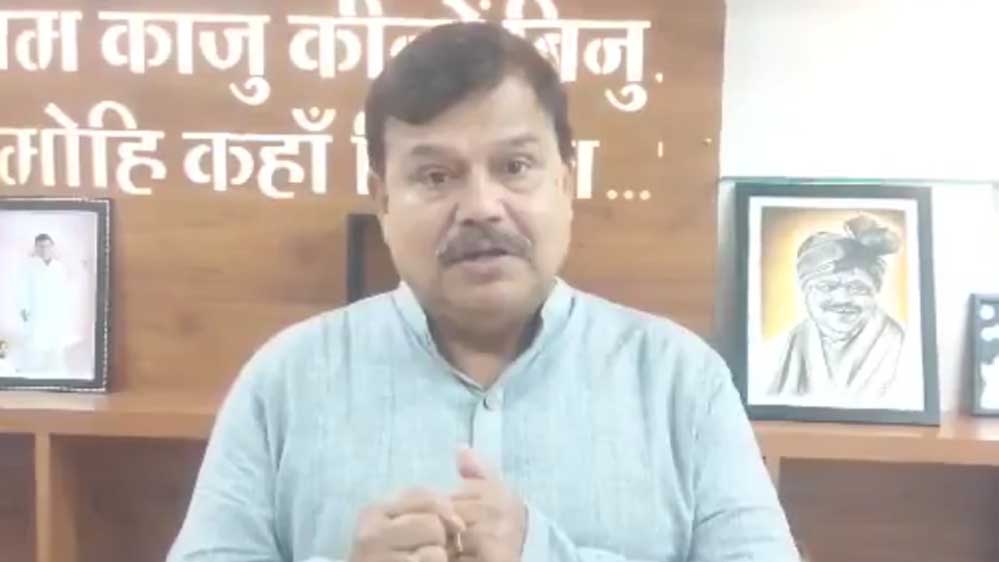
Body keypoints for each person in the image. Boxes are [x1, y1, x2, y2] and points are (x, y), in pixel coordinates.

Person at [168, 22, 796, 562]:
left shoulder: (679, 381)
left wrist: (541, 553)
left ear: (565, 183)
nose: (481, 206)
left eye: (514, 166)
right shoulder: (286, 380)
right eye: (435, 175)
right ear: (383, 201)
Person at [766, 215, 907, 404]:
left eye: (858, 288)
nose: (842, 299)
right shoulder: (778, 349)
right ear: (805, 292)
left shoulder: (906, 349)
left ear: (875, 292)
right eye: (826, 286)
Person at [17, 233, 74, 374]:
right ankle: (30, 372)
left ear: (52, 247)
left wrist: (64, 311)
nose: (44, 249)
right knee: (34, 342)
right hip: (36, 311)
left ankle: (54, 372)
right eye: (40, 246)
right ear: (36, 248)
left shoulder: (59, 267)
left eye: (47, 246)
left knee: (55, 344)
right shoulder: (28, 266)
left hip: (55, 311)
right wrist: (24, 310)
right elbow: (22, 289)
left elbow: (65, 291)